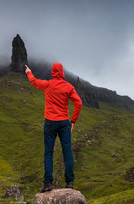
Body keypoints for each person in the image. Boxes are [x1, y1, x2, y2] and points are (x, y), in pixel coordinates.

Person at [25, 63, 82, 193]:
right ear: (62, 72)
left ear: (52, 72)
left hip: (50, 122)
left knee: (48, 153)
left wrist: (29, 71)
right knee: (67, 151)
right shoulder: (69, 86)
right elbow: (79, 103)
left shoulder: (48, 84)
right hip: (64, 123)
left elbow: (34, 81)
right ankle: (70, 182)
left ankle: (47, 184)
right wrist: (73, 121)